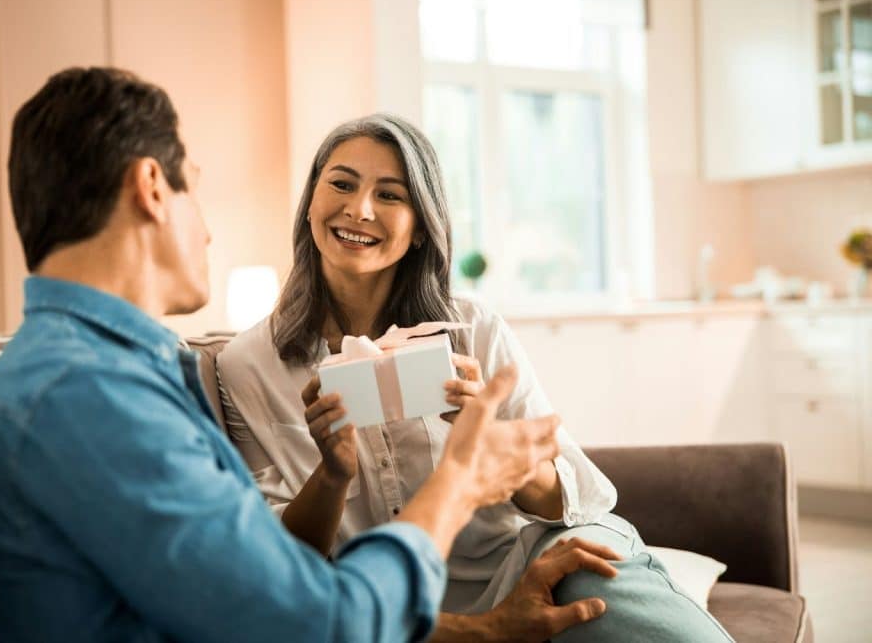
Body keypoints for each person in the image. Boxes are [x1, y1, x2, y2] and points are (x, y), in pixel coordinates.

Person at [0, 67, 624, 643]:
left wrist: (488, 627)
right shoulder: (87, 399)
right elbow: (321, 622)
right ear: (153, 188)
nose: (208, 231)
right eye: (193, 189)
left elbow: (281, 589)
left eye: (390, 194)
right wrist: (460, 483)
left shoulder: (121, 378)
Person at [216, 113, 735, 641]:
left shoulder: (473, 329)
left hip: (529, 563)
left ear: (420, 228)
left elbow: (567, 500)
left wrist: (490, 445)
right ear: (310, 202)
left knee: (595, 566)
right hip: (396, 613)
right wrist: (331, 474)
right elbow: (284, 561)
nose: (360, 209)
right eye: (342, 184)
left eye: (390, 195)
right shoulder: (248, 364)